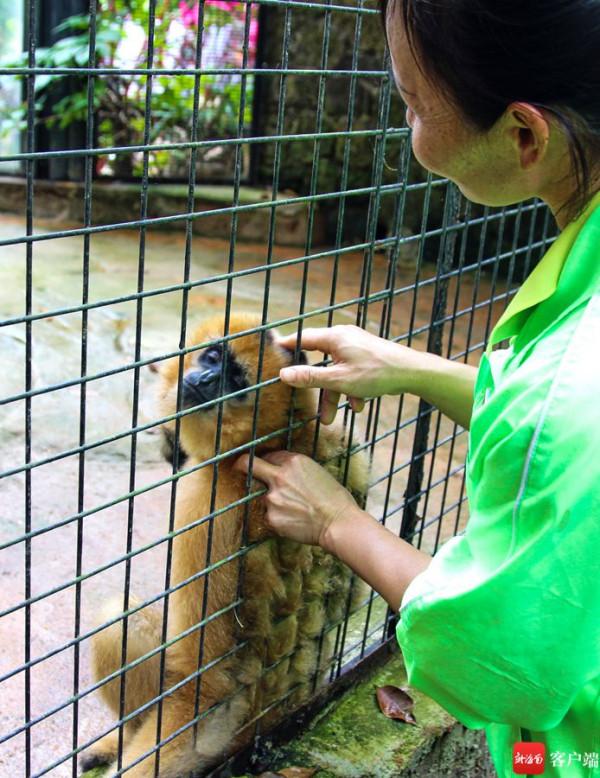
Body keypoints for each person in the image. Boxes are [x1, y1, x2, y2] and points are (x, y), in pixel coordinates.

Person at [235, 2, 600, 775]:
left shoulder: (570, 386)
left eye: (411, 104)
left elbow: (498, 656)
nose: (407, 128)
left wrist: (336, 522)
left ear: (524, 134)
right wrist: (414, 368)